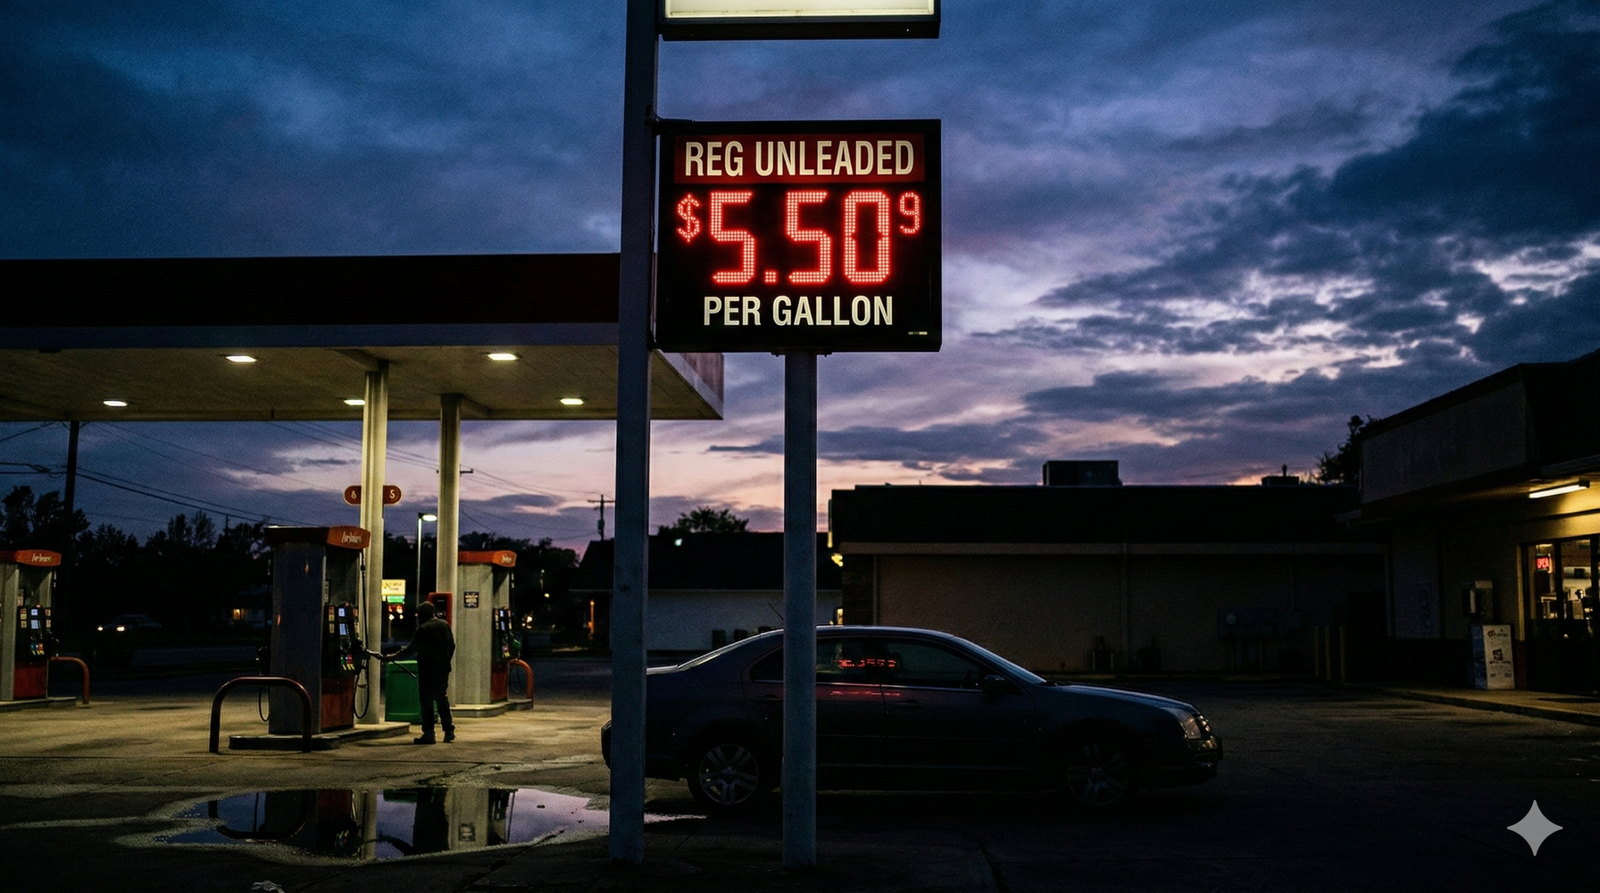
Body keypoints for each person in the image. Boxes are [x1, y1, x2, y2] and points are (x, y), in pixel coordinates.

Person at [381, 601, 456, 744]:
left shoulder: (423, 629)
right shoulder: (445, 625)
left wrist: (389, 658)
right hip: (443, 670)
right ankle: (449, 731)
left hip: (428, 671)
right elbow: (452, 646)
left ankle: (429, 735)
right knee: (442, 700)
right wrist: (445, 662)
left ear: (422, 615)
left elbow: (410, 650)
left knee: (426, 703)